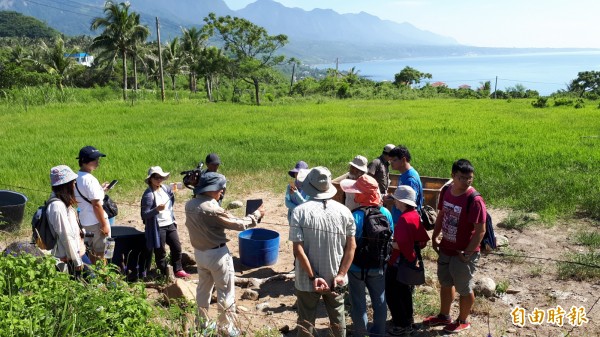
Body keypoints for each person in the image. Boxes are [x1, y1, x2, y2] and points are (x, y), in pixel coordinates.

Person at [185, 172, 265, 336]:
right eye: (220, 188)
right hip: (217, 255)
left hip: (200, 254)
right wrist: (256, 214)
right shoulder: (212, 209)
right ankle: (226, 329)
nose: (222, 191)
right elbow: (238, 224)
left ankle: (202, 325)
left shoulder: (190, 204)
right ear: (211, 189)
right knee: (226, 292)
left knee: (203, 290)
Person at [289, 167, 356, 337]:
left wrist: (313, 277)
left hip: (307, 280)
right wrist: (341, 274)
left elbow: (298, 249)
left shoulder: (299, 212)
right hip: (336, 278)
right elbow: (351, 246)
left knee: (306, 322)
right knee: (338, 320)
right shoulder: (345, 211)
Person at [423, 159, 487, 334]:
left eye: (470, 178)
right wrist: (435, 236)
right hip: (446, 247)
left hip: (464, 253)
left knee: (464, 288)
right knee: (445, 283)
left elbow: (480, 230)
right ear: (453, 176)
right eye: (462, 178)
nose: (466, 181)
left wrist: (467, 253)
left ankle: (463, 320)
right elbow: (441, 215)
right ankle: (444, 316)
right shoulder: (446, 191)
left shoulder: (474, 200)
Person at [339, 175, 392, 337]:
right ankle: (379, 332)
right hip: (379, 266)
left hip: (356, 268)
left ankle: (361, 333)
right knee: (380, 301)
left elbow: (348, 245)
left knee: (359, 304)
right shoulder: (386, 213)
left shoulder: (354, 216)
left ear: (360, 195)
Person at [386, 186, 430, 336]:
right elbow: (422, 240)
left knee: (393, 293)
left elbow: (402, 245)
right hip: (409, 263)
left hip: (398, 262)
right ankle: (408, 319)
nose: (395, 202)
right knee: (405, 291)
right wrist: (413, 256)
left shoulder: (404, 219)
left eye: (396, 200)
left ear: (402, 202)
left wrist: (390, 243)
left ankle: (401, 324)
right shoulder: (415, 215)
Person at [140, 166, 191, 279]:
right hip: (158, 227)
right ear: (150, 179)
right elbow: (144, 214)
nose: (159, 179)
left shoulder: (166, 188)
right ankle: (164, 273)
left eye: (161, 177)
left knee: (176, 247)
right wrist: (156, 210)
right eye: (156, 177)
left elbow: (176, 193)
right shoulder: (148, 195)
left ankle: (178, 269)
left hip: (170, 223)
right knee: (160, 252)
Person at [47, 165, 92, 278]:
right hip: (68, 258)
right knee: (92, 284)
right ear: (66, 185)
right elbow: (66, 235)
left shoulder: (64, 203)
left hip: (76, 254)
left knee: (94, 282)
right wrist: (76, 261)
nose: (74, 185)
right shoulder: (57, 206)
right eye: (73, 182)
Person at [74, 145, 111, 264]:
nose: (97, 162)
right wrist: (104, 224)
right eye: (94, 160)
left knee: (91, 251)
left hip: (84, 220)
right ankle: (104, 278)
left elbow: (85, 197)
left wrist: (100, 190)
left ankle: (93, 278)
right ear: (84, 161)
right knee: (103, 252)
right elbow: (96, 205)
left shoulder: (76, 177)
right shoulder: (90, 180)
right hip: (97, 221)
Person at [387, 145, 424, 224]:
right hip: (401, 220)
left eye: (394, 160)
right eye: (390, 160)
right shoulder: (404, 174)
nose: (391, 163)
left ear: (403, 160)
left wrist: (392, 201)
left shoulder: (410, 179)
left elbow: (409, 204)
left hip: (406, 222)